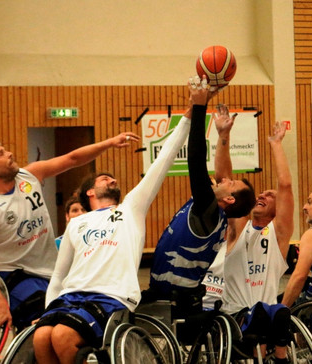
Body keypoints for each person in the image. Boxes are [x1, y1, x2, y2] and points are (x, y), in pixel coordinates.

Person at [32, 77, 218, 364]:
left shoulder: (130, 208)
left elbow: (164, 159)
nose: (113, 179)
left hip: (111, 296)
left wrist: (193, 108)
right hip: (71, 296)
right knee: (41, 337)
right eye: (105, 178)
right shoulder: (77, 223)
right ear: (89, 192)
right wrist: (47, 310)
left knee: (61, 336)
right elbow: (58, 276)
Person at [0, 132, 139, 331]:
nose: (10, 153)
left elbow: (72, 159)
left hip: (46, 267)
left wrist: (110, 143)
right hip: (14, 272)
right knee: (43, 313)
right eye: (1, 154)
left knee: (72, 309)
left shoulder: (29, 175)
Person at [144, 84, 256, 318]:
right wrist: (223, 136)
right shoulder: (213, 212)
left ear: (228, 198)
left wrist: (199, 107)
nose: (225, 179)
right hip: (178, 295)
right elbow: (218, 175)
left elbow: (195, 160)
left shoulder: (209, 211)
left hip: (172, 300)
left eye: (231, 183)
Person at [202, 121, 294, 363]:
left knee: (276, 312)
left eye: (269, 196)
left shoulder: (279, 234)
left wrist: (276, 144)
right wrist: (224, 135)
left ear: (278, 210)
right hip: (235, 316)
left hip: (269, 316)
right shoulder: (239, 228)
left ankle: (279, 358)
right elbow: (224, 181)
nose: (262, 195)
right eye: (260, 194)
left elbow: (285, 185)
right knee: (261, 313)